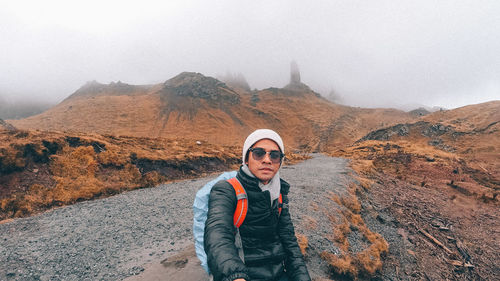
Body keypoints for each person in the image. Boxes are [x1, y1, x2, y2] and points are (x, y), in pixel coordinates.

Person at [204, 129, 311, 281]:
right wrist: (235, 276)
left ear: (280, 162)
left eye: (274, 155)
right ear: (246, 159)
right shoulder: (226, 190)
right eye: (259, 153)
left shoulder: (279, 193)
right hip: (243, 274)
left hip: (279, 274)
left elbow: (289, 241)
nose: (267, 160)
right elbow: (217, 235)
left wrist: (302, 277)